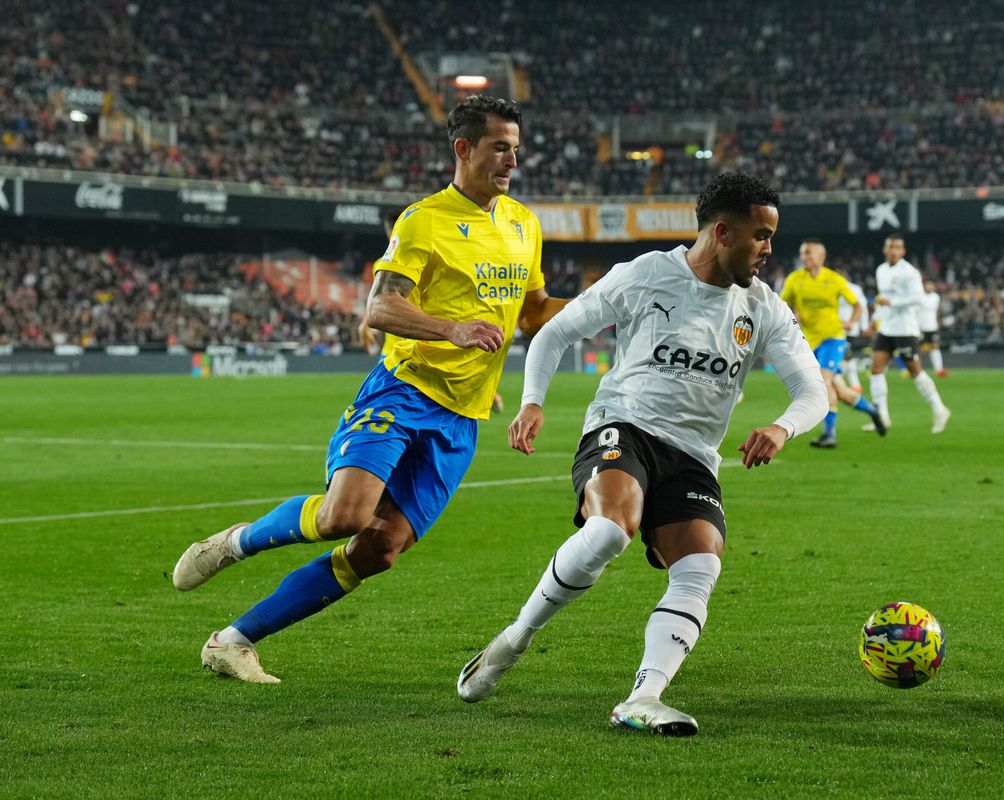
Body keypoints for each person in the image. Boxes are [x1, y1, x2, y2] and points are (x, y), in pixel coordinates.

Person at [171, 95, 567, 683]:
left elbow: (535, 313)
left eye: (515, 147)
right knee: (344, 517)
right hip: (403, 391)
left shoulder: (522, 223)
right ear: (463, 149)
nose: (512, 159)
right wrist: (450, 328)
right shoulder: (424, 220)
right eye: (499, 147)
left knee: (379, 549)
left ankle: (231, 642)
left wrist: (607, 305)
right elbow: (380, 306)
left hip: (462, 418)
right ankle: (237, 541)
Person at [456, 173, 828, 736]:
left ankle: (644, 697)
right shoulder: (647, 274)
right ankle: (513, 640)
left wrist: (782, 427)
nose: (769, 250)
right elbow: (553, 333)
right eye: (761, 236)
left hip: (695, 456)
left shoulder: (764, 308)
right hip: (623, 426)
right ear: (722, 232)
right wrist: (533, 403)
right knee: (609, 531)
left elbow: (813, 392)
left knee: (701, 567)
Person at [359, 211, 506, 412]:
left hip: (417, 347)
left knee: (399, 410)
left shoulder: (427, 258)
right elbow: (379, 301)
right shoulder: (385, 265)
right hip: (394, 350)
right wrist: (364, 323)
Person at [780, 239, 886, 448]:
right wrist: (792, 316)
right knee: (842, 391)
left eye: (808, 253)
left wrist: (852, 322)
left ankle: (830, 434)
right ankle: (873, 411)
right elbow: (783, 304)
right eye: (802, 253)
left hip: (833, 338)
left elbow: (857, 304)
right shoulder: (794, 279)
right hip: (809, 342)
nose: (804, 257)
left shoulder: (834, 279)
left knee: (823, 381)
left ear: (821, 256)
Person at [869, 235, 951, 434]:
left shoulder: (910, 272)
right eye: (891, 247)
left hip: (905, 328)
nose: (894, 250)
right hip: (887, 327)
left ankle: (940, 409)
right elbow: (885, 296)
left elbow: (918, 298)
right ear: (885, 250)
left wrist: (892, 303)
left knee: (915, 371)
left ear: (903, 251)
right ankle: (881, 416)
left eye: (898, 247)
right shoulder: (881, 270)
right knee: (876, 368)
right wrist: (878, 311)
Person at [838, 273, 870, 392]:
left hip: (851, 327)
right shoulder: (833, 288)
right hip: (835, 327)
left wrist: (864, 325)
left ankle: (854, 385)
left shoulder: (855, 289)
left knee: (847, 355)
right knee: (843, 356)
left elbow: (863, 307)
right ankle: (851, 384)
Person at [919, 279, 948, 377]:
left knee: (935, 347)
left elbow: (936, 311)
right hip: (920, 327)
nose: (929, 287)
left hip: (932, 327)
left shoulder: (936, 297)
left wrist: (938, 323)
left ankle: (939, 370)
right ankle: (915, 370)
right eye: (928, 285)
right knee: (918, 349)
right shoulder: (919, 296)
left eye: (931, 285)